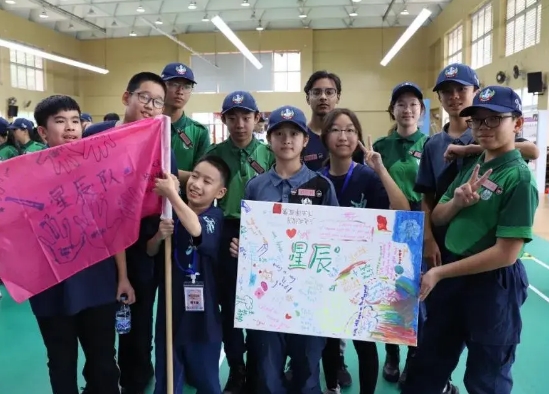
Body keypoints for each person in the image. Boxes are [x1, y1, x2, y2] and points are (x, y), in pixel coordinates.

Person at [403, 86, 537, 394]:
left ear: (516, 124)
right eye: (477, 121)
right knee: (427, 367)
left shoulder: (519, 178)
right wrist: (457, 203)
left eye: (494, 120)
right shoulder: (475, 168)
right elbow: (436, 217)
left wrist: (439, 272)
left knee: (486, 379)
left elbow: (506, 254)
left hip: (492, 289)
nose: (483, 128)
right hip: (453, 284)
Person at [229, 105, 338, 394]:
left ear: (305, 141)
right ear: (269, 139)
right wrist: (243, 247)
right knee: (266, 373)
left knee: (306, 372)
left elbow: (337, 239)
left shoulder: (322, 186)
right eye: (279, 133)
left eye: (294, 134)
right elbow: (251, 233)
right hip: (266, 299)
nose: (287, 140)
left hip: (309, 300)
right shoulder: (256, 187)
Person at [30, 95, 135, 394]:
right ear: (42, 132)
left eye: (75, 121)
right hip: (50, 286)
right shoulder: (27, 177)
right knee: (61, 360)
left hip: (97, 281)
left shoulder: (98, 171)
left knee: (103, 359)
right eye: (60, 121)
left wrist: (123, 277)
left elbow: (114, 228)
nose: (70, 128)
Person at [83, 71, 176, 394]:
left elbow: (170, 186)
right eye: (145, 98)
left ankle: (137, 377)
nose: (150, 107)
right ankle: (101, 378)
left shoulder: (162, 143)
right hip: (100, 236)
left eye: (158, 103)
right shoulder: (96, 134)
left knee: (138, 316)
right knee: (99, 314)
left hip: (141, 237)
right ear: (127, 98)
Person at [319, 108, 410, 394]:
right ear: (325, 136)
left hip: (363, 274)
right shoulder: (315, 180)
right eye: (336, 129)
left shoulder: (369, 178)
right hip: (327, 273)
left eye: (349, 130)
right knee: (330, 341)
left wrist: (380, 169)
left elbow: (402, 210)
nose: (343, 136)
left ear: (358, 137)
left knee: (365, 341)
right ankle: (331, 386)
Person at [205, 91, 274, 394]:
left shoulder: (269, 153)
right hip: (226, 230)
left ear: (257, 119)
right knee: (230, 305)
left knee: (261, 303)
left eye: (246, 117)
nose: (240, 124)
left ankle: (259, 367)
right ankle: (237, 368)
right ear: (224, 119)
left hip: (265, 231)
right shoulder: (214, 153)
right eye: (232, 117)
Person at [296, 71, 355, 388]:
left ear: (337, 97)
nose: (323, 97)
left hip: (341, 234)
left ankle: (338, 358)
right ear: (307, 97)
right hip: (304, 234)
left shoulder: (346, 134)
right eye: (316, 91)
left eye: (329, 91)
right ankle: (300, 358)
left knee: (337, 304)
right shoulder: (297, 136)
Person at [153, 155, 230, 394]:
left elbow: (196, 229)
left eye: (207, 181)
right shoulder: (170, 212)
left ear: (220, 192)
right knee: (168, 376)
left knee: (206, 377)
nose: (196, 184)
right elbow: (150, 250)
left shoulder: (214, 218)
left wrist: (172, 195)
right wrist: (158, 236)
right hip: (171, 309)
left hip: (203, 315)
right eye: (194, 176)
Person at [372, 82, 429, 387]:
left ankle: (412, 360)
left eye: (413, 105)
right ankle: (391, 355)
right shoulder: (380, 146)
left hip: (423, 226)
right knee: (391, 294)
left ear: (421, 111)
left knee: (416, 298)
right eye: (401, 105)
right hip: (389, 227)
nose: (407, 110)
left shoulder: (434, 145)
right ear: (392, 110)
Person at [160, 62, 211, 186]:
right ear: (162, 86)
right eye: (174, 84)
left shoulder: (199, 132)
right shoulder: (147, 126)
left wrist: (160, 173)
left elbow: (202, 178)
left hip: (183, 203)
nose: (180, 91)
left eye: (187, 86)